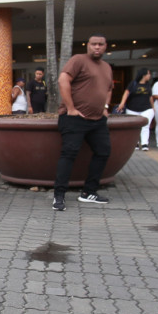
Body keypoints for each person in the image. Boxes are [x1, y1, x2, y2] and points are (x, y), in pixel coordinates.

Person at [53, 35, 113, 210]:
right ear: (88, 46)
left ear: (105, 47)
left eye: (100, 44)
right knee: (69, 154)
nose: (97, 47)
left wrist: (105, 107)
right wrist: (71, 108)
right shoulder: (78, 60)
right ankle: (59, 196)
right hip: (74, 118)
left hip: (97, 120)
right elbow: (63, 80)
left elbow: (107, 89)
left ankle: (89, 192)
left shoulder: (107, 67)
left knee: (103, 152)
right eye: (93, 44)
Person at [116, 69, 154, 150]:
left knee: (145, 126)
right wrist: (122, 103)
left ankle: (144, 144)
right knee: (135, 127)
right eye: (148, 74)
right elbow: (126, 93)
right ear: (143, 75)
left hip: (146, 108)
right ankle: (135, 143)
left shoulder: (148, 85)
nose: (149, 76)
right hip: (132, 108)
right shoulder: (133, 83)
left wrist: (153, 107)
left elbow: (150, 97)